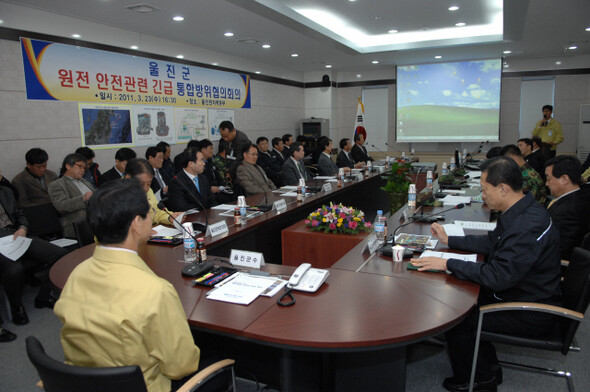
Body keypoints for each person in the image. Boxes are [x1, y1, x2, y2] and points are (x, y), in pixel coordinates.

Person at [410, 156, 561, 392]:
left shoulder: (525, 227)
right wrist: (450, 240)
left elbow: (496, 277)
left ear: (502, 188)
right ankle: (488, 367)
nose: (482, 195)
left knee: (457, 316)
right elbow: (493, 242)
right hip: (520, 291)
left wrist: (446, 263)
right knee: (462, 297)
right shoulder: (522, 210)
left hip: (528, 309)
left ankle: (479, 380)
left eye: (484, 189)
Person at [54, 179, 201, 392]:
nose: (152, 216)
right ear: (136, 224)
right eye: (149, 212)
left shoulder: (76, 275)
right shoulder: (154, 290)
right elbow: (182, 366)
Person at [0, 183, 68, 326]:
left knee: (59, 253)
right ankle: (17, 308)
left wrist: (23, 228)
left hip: (16, 235)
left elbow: (19, 214)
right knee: (14, 270)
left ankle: (43, 295)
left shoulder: (5, 192)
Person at [545, 156, 590, 260]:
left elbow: (561, 249)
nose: (546, 183)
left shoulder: (570, 210)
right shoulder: (577, 198)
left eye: (548, 178)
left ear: (564, 179)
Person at [48, 153, 95, 238]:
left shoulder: (86, 182)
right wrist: (83, 198)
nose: (83, 170)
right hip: (77, 226)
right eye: (80, 166)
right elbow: (61, 206)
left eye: (84, 168)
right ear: (68, 166)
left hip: (96, 222)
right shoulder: (57, 184)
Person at [124, 158, 182, 226]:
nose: (146, 189)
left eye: (149, 184)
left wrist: (169, 217)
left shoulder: (149, 190)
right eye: (141, 184)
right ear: (128, 178)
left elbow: (156, 211)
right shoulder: (117, 195)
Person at [199, 139, 234, 203]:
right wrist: (211, 188)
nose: (212, 151)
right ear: (203, 150)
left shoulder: (211, 162)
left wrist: (223, 185)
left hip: (218, 188)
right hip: (210, 191)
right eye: (211, 148)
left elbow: (218, 175)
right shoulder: (200, 165)